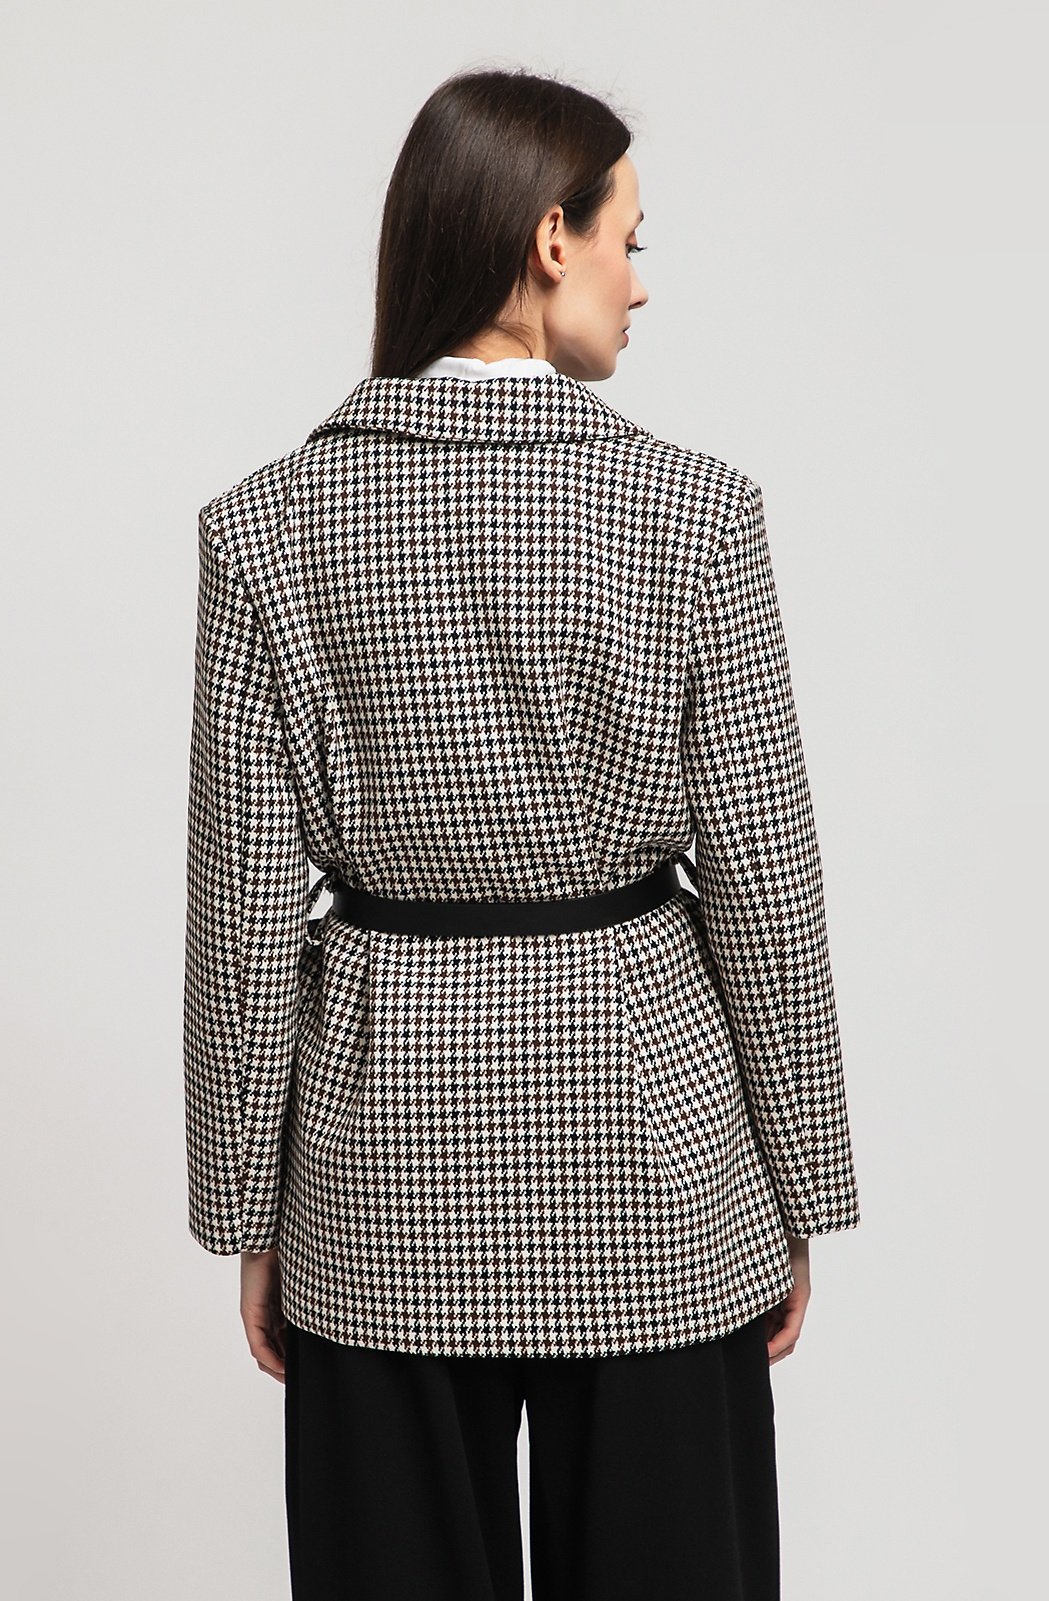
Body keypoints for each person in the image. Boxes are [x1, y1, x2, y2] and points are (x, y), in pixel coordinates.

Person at [183, 66, 861, 1601]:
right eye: (631, 237)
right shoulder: (695, 514)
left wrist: (245, 1206)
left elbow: (240, 909)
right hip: (658, 1156)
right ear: (550, 238)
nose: (641, 280)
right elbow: (765, 882)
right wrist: (796, 1180)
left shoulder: (265, 527)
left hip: (373, 1164)